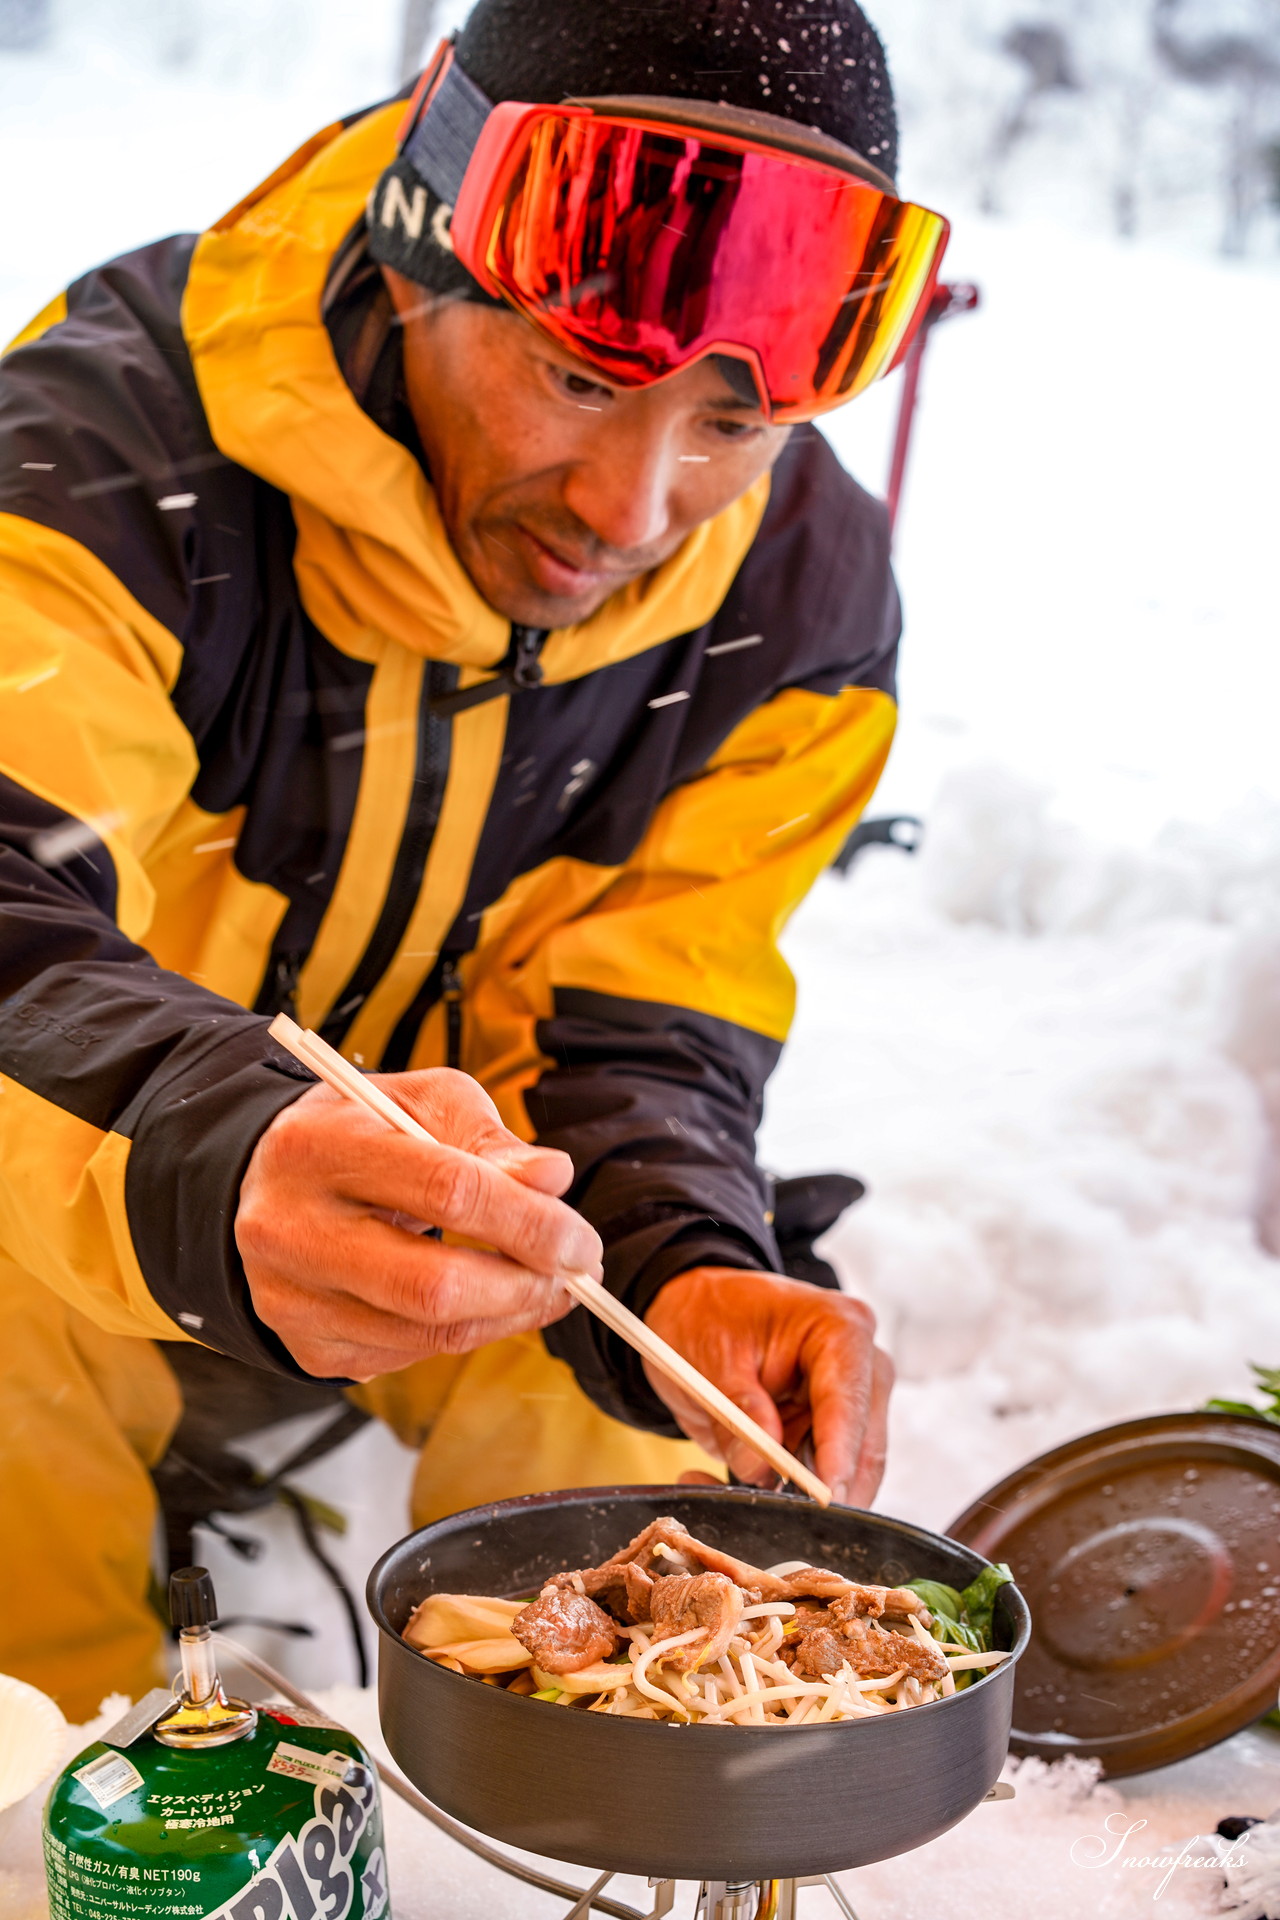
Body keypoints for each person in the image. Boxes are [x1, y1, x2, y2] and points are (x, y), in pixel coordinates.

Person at [0, 0, 948, 1716]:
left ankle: (563, 1794)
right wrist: (225, 1156)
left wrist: (684, 1248)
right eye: (579, 378)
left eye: (728, 427)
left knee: (652, 1399)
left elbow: (641, 1014)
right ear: (419, 253)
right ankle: (41, 1795)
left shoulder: (799, 591)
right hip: (89, 1220)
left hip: (451, 1252)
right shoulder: (106, 464)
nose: (632, 509)